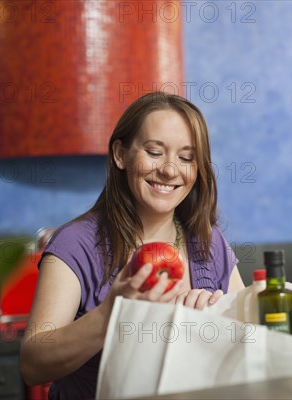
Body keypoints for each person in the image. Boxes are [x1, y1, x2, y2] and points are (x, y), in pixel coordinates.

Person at [20, 92, 246, 399]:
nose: (169, 169)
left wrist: (220, 322)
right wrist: (110, 314)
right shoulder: (75, 244)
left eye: (186, 157)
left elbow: (251, 344)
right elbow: (33, 364)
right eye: (154, 152)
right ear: (120, 154)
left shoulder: (209, 242)